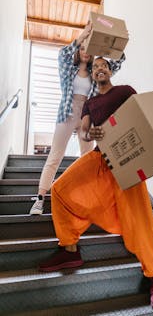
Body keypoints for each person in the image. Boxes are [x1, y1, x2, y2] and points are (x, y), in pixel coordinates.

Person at [38, 57, 153, 311]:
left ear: (110, 71)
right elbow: (84, 131)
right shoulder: (90, 103)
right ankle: (70, 250)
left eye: (104, 66)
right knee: (59, 189)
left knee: (141, 222)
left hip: (128, 162)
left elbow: (145, 119)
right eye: (95, 66)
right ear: (93, 74)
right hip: (101, 157)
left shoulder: (125, 92)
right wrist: (91, 134)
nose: (99, 68)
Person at [29, 23, 125, 215]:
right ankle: (39, 199)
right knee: (55, 155)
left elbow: (116, 62)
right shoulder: (68, 67)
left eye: (88, 49)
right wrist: (83, 37)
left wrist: (118, 42)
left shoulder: (95, 71)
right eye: (82, 48)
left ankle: (85, 199)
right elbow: (64, 54)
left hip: (87, 117)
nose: (85, 52)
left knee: (87, 158)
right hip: (67, 113)